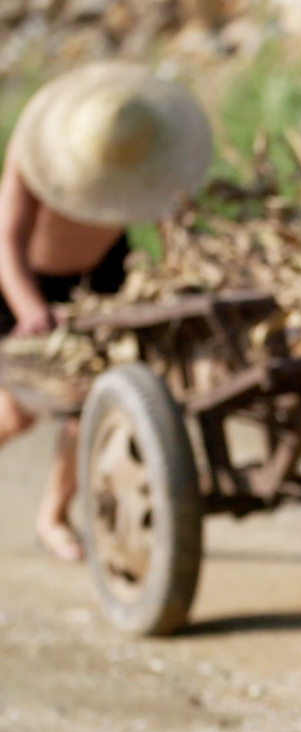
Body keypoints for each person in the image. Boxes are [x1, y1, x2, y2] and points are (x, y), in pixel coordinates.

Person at [0, 61, 212, 561]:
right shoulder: (34, 155)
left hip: (102, 280)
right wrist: (30, 309)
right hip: (25, 284)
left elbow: (174, 236)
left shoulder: (153, 149)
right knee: (16, 416)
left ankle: (53, 516)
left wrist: (182, 284)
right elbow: (5, 240)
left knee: (95, 400)